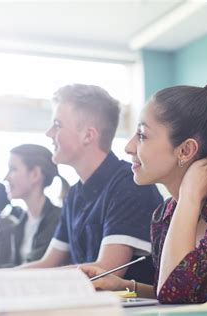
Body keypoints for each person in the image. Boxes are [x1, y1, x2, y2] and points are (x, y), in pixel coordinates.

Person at [80, 82, 207, 304]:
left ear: (185, 150)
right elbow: (175, 289)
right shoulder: (165, 213)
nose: (129, 147)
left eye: (142, 135)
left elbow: (178, 293)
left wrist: (190, 195)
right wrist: (126, 286)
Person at [20, 84, 163, 285]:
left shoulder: (130, 184)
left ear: (88, 135)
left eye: (58, 125)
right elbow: (48, 263)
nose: (49, 133)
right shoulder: (74, 194)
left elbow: (103, 271)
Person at [0, 144, 67, 267]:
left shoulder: (58, 220)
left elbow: (34, 266)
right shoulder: (21, 224)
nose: (5, 177)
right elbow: (15, 266)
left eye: (13, 169)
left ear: (35, 174)